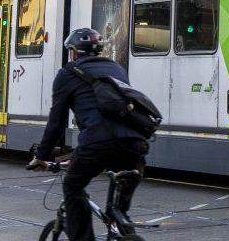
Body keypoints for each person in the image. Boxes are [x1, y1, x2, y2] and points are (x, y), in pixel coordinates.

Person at [27, 28, 153, 241]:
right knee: (119, 205)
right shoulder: (117, 69)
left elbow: (56, 123)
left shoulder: (67, 73)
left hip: (97, 143)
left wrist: (41, 156)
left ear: (74, 53)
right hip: (135, 144)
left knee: (73, 186)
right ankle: (122, 224)